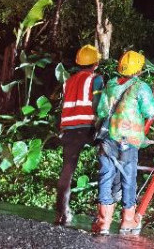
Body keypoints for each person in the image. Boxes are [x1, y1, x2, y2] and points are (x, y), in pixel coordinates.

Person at [92, 50, 154, 235]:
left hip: (108, 138)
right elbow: (149, 111)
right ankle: (128, 221)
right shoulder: (141, 87)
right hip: (129, 140)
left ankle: (103, 222)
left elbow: (101, 111)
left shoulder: (111, 85)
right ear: (139, 70)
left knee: (106, 176)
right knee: (128, 178)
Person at [55, 44, 104, 226]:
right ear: (96, 63)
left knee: (67, 169)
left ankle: (62, 211)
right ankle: (102, 213)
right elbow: (99, 105)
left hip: (69, 130)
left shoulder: (68, 81)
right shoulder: (96, 79)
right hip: (88, 128)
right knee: (105, 165)